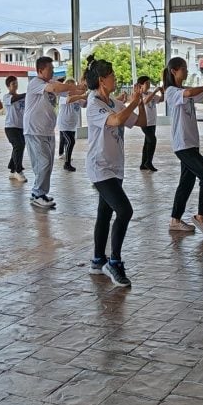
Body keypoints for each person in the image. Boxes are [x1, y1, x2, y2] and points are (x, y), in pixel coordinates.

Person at [85, 58, 147, 288]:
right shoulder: (93, 104)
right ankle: (114, 261)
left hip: (115, 166)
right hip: (100, 166)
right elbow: (116, 120)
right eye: (112, 75)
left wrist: (139, 102)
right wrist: (131, 102)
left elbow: (139, 121)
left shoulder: (112, 101)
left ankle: (97, 260)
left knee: (104, 213)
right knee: (124, 211)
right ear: (102, 79)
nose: (116, 78)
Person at [163, 57, 203, 235]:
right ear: (174, 71)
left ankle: (175, 220)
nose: (187, 72)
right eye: (184, 69)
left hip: (192, 143)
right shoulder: (171, 91)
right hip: (182, 144)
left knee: (186, 183)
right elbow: (189, 94)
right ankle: (201, 217)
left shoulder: (185, 90)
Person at [23, 57, 86, 209]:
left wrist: (82, 87)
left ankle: (40, 193)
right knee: (43, 163)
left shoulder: (50, 84)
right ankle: (37, 193)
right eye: (50, 69)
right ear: (40, 70)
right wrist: (74, 87)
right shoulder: (35, 83)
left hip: (48, 131)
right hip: (34, 130)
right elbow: (58, 89)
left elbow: (70, 92)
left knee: (48, 164)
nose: (52, 71)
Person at [56, 79, 86, 172]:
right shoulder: (63, 97)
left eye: (74, 86)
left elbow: (84, 104)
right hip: (64, 125)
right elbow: (69, 100)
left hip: (72, 126)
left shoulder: (77, 98)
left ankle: (67, 161)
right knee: (71, 141)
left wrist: (87, 96)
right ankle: (67, 163)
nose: (73, 89)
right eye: (71, 87)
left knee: (70, 142)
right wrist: (82, 95)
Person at [2, 75, 27, 182]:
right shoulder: (6, 97)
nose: (15, 85)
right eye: (13, 84)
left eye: (16, 83)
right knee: (18, 145)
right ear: (8, 86)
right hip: (10, 127)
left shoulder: (22, 97)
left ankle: (12, 170)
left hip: (21, 127)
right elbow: (14, 99)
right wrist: (28, 94)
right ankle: (18, 170)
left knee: (19, 146)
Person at [138, 76, 163, 172]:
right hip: (144, 122)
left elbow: (160, 99)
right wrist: (155, 91)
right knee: (152, 140)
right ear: (141, 85)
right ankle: (149, 162)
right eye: (147, 83)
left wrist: (162, 92)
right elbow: (145, 101)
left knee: (147, 142)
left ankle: (143, 164)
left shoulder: (149, 94)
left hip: (152, 122)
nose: (149, 85)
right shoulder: (139, 95)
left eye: (149, 83)